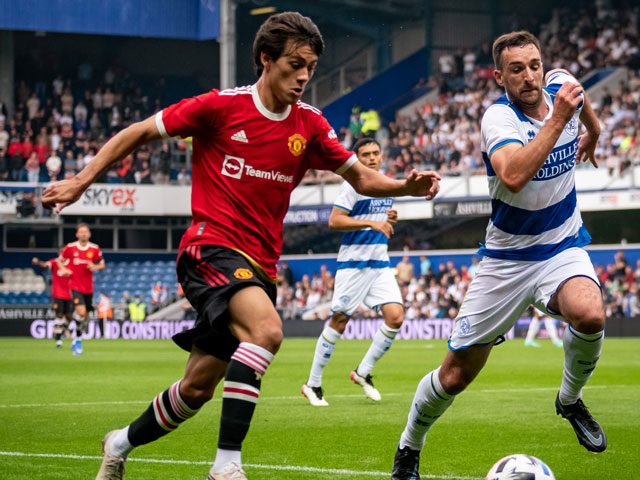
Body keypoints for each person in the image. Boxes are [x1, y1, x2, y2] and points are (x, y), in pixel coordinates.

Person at [41, 12, 440, 480]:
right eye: (295, 64)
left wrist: (403, 189)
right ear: (266, 59)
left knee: (195, 390)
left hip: (258, 267)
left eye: (310, 67)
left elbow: (361, 177)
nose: (304, 76)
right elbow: (140, 131)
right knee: (268, 331)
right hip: (208, 248)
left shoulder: (309, 124)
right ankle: (226, 466)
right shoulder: (219, 107)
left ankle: (119, 442)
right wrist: (82, 181)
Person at [391, 31, 606, 480]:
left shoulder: (562, 84)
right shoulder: (498, 118)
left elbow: (586, 108)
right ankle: (409, 445)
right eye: (516, 70)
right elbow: (512, 176)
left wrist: (593, 134)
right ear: (498, 77)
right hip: (506, 262)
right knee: (454, 377)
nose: (529, 77)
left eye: (534, 65)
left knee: (590, 315)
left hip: (561, 246)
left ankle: (569, 401)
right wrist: (563, 118)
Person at [302, 138, 405, 406]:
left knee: (395, 317)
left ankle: (363, 372)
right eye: (365, 155)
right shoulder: (352, 186)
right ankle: (312, 384)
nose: (371, 158)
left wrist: (387, 220)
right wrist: (372, 223)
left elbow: (379, 218)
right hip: (354, 265)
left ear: (382, 156)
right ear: (357, 159)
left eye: (375, 153)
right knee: (339, 321)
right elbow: (334, 220)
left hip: (380, 263)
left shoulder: (386, 184)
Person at [61, 223, 105, 355]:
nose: (84, 234)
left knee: (85, 316)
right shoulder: (70, 247)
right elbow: (59, 261)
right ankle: (78, 340)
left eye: (86, 232)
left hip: (88, 288)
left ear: (89, 234)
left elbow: (102, 264)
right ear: (77, 234)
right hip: (75, 285)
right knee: (81, 312)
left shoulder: (95, 249)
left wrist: (95, 267)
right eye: (81, 232)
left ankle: (75, 337)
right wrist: (65, 270)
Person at [32, 249, 73, 348]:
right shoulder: (54, 262)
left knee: (69, 317)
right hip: (58, 294)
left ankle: (60, 330)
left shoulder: (72, 263)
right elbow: (45, 265)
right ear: (59, 254)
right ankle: (58, 341)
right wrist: (38, 262)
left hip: (70, 294)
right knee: (59, 315)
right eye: (61, 253)